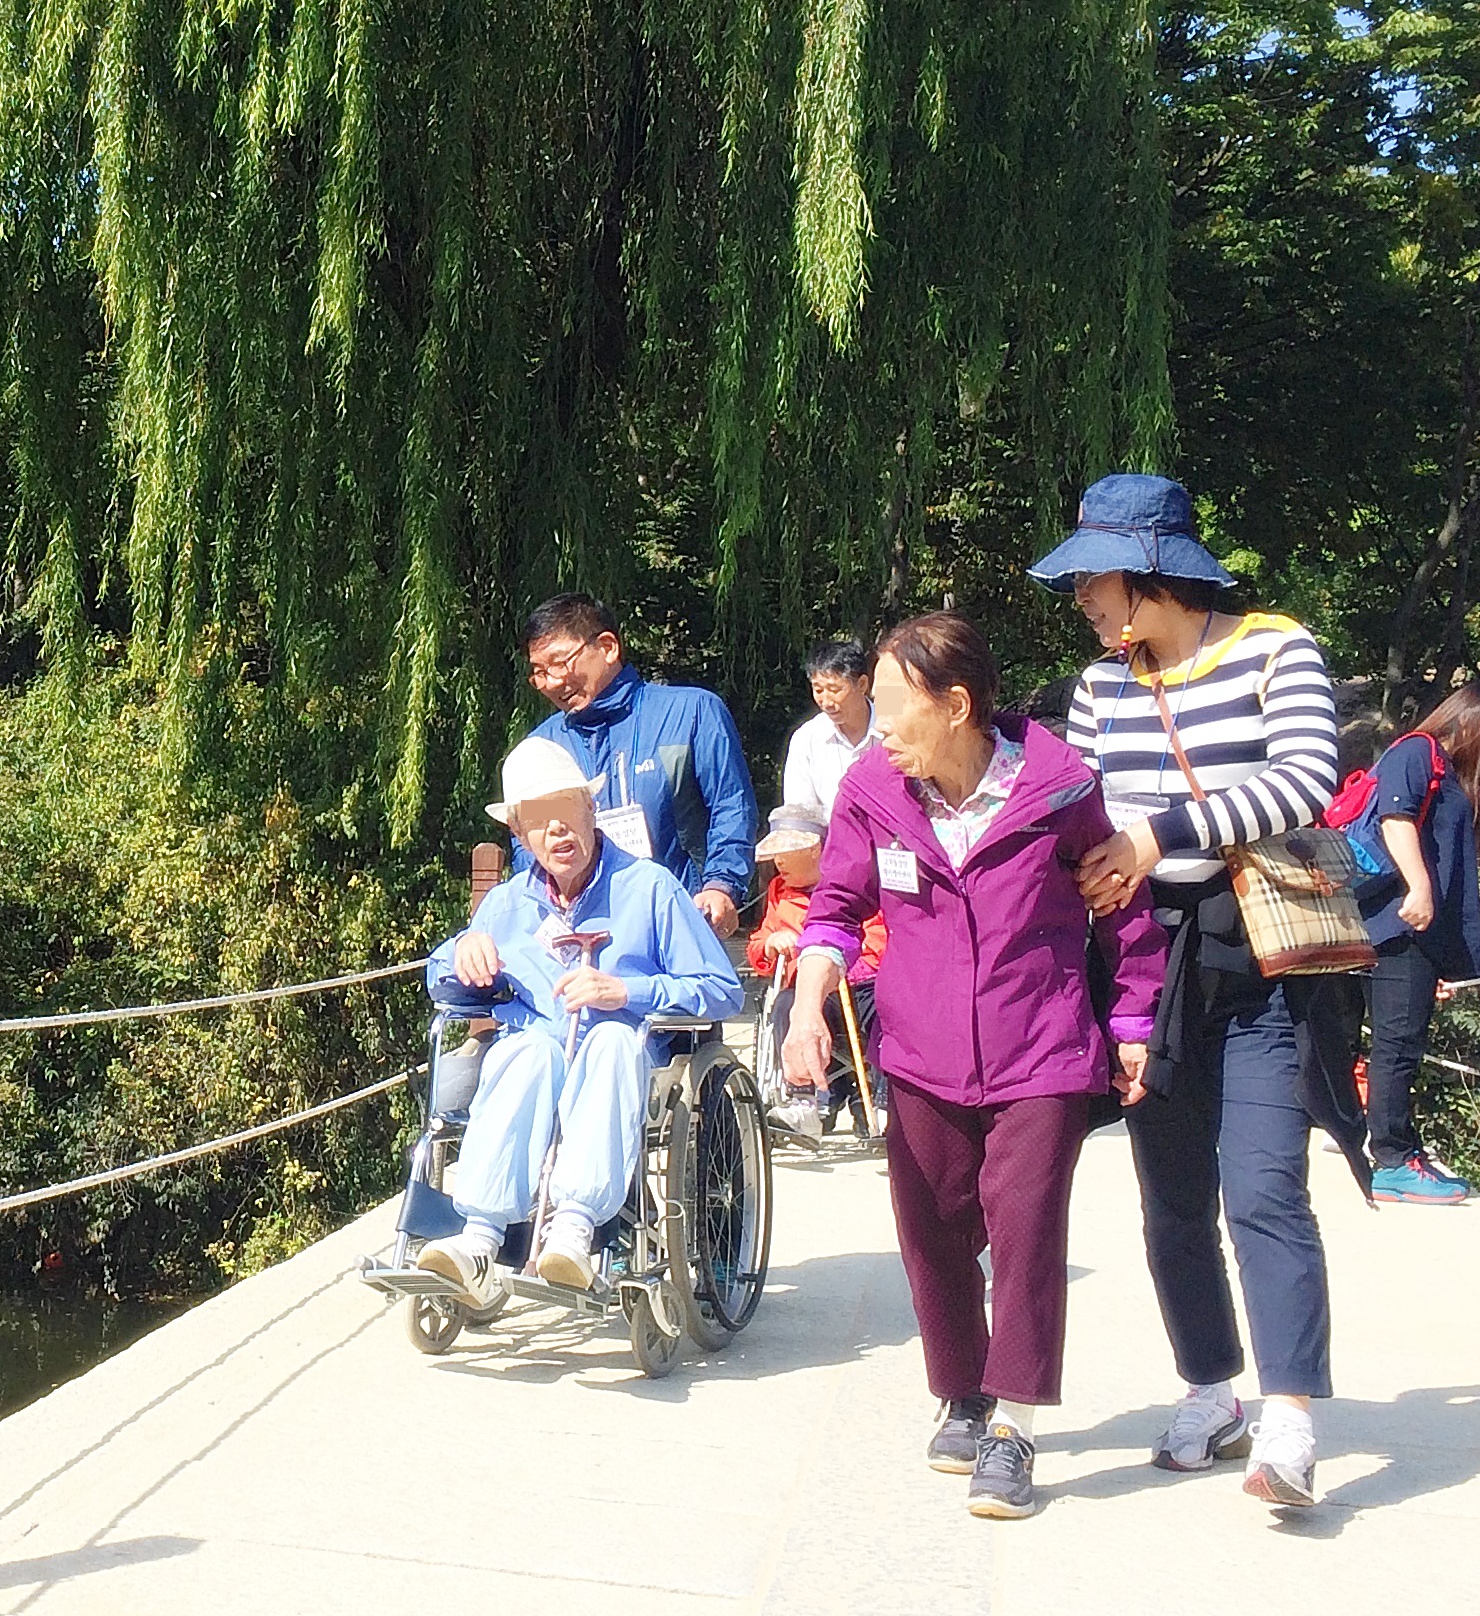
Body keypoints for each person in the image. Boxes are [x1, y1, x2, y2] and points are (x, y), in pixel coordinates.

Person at [785, 613, 1163, 1521]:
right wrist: (805, 1006)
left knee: (1025, 1232)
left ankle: (1013, 1426)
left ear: (954, 705)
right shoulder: (873, 789)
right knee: (931, 1227)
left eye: (890, 706)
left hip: (1040, 1048)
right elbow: (834, 907)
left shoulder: (1057, 789)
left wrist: (1133, 1017)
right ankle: (961, 1392)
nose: (876, 726)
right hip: (920, 1051)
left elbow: (1121, 904)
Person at [1034, 471, 1365, 1509]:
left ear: (1150, 573)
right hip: (1144, 960)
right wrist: (1087, 861)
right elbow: (1077, 804)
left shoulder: (1274, 647)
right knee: (1171, 1201)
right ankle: (1209, 1386)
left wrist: (1155, 835)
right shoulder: (1099, 686)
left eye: (1092, 579)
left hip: (1256, 956)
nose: (1080, 599)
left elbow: (1304, 779)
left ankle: (1289, 1419)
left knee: (1264, 1188)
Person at [416, 738, 744, 1299]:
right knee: (525, 1049)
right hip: (536, 1061)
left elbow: (722, 990)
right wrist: (460, 952)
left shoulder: (650, 888)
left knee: (611, 1038)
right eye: (538, 821)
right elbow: (440, 982)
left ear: (592, 811)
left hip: (627, 1062)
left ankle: (573, 1230)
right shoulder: (506, 905)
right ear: (519, 833)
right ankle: (479, 1238)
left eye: (568, 811)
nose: (557, 831)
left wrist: (627, 990)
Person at [522, 593, 760, 938]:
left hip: (681, 921)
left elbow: (731, 805)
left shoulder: (691, 713)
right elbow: (526, 839)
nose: (551, 683)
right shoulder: (542, 746)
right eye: (539, 673)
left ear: (608, 647)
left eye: (559, 664)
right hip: (581, 932)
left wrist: (721, 884)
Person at [1359, 685, 1480, 1204]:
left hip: (1421, 930)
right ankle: (1392, 1159)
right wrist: (1419, 888)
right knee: (1397, 1046)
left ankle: (1394, 1148)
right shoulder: (1416, 751)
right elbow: (1396, 818)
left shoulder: (1451, 773)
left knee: (1400, 1041)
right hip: (1400, 922)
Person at [749, 802, 882, 1139]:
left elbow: (879, 936)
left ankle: (883, 1101)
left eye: (786, 852)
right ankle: (803, 1102)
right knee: (785, 1005)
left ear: (814, 849)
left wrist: (836, 962)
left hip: (860, 982)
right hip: (809, 993)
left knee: (889, 1006)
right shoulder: (779, 892)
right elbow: (759, 943)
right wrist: (770, 943)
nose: (778, 861)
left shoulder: (856, 884)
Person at [783, 641, 879, 819]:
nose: (826, 702)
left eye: (834, 690)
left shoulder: (894, 731)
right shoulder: (806, 739)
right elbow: (800, 815)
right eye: (818, 690)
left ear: (862, 684)